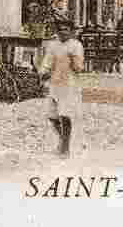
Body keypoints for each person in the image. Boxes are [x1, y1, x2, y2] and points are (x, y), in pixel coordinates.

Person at [38, 20, 84, 157]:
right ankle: (62, 141)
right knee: (52, 116)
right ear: (57, 32)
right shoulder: (53, 45)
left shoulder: (76, 45)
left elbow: (79, 68)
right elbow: (47, 61)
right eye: (60, 30)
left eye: (66, 29)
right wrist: (43, 72)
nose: (63, 32)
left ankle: (65, 148)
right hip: (54, 83)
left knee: (65, 115)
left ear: (71, 31)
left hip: (69, 84)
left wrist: (73, 58)